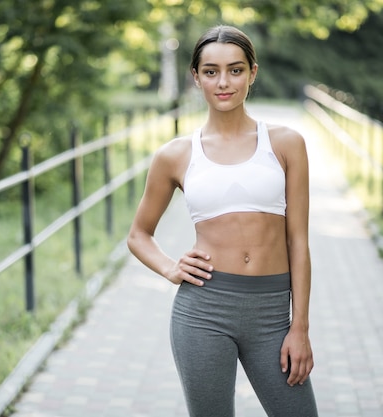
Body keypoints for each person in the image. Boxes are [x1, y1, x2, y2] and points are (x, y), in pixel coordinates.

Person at [127, 25, 318, 417]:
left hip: (272, 316)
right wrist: (170, 267)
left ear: (253, 73)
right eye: (211, 71)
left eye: (235, 69)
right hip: (203, 313)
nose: (224, 82)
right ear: (196, 77)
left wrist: (299, 327)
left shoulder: (286, 143)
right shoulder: (176, 155)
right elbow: (138, 235)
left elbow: (298, 241)